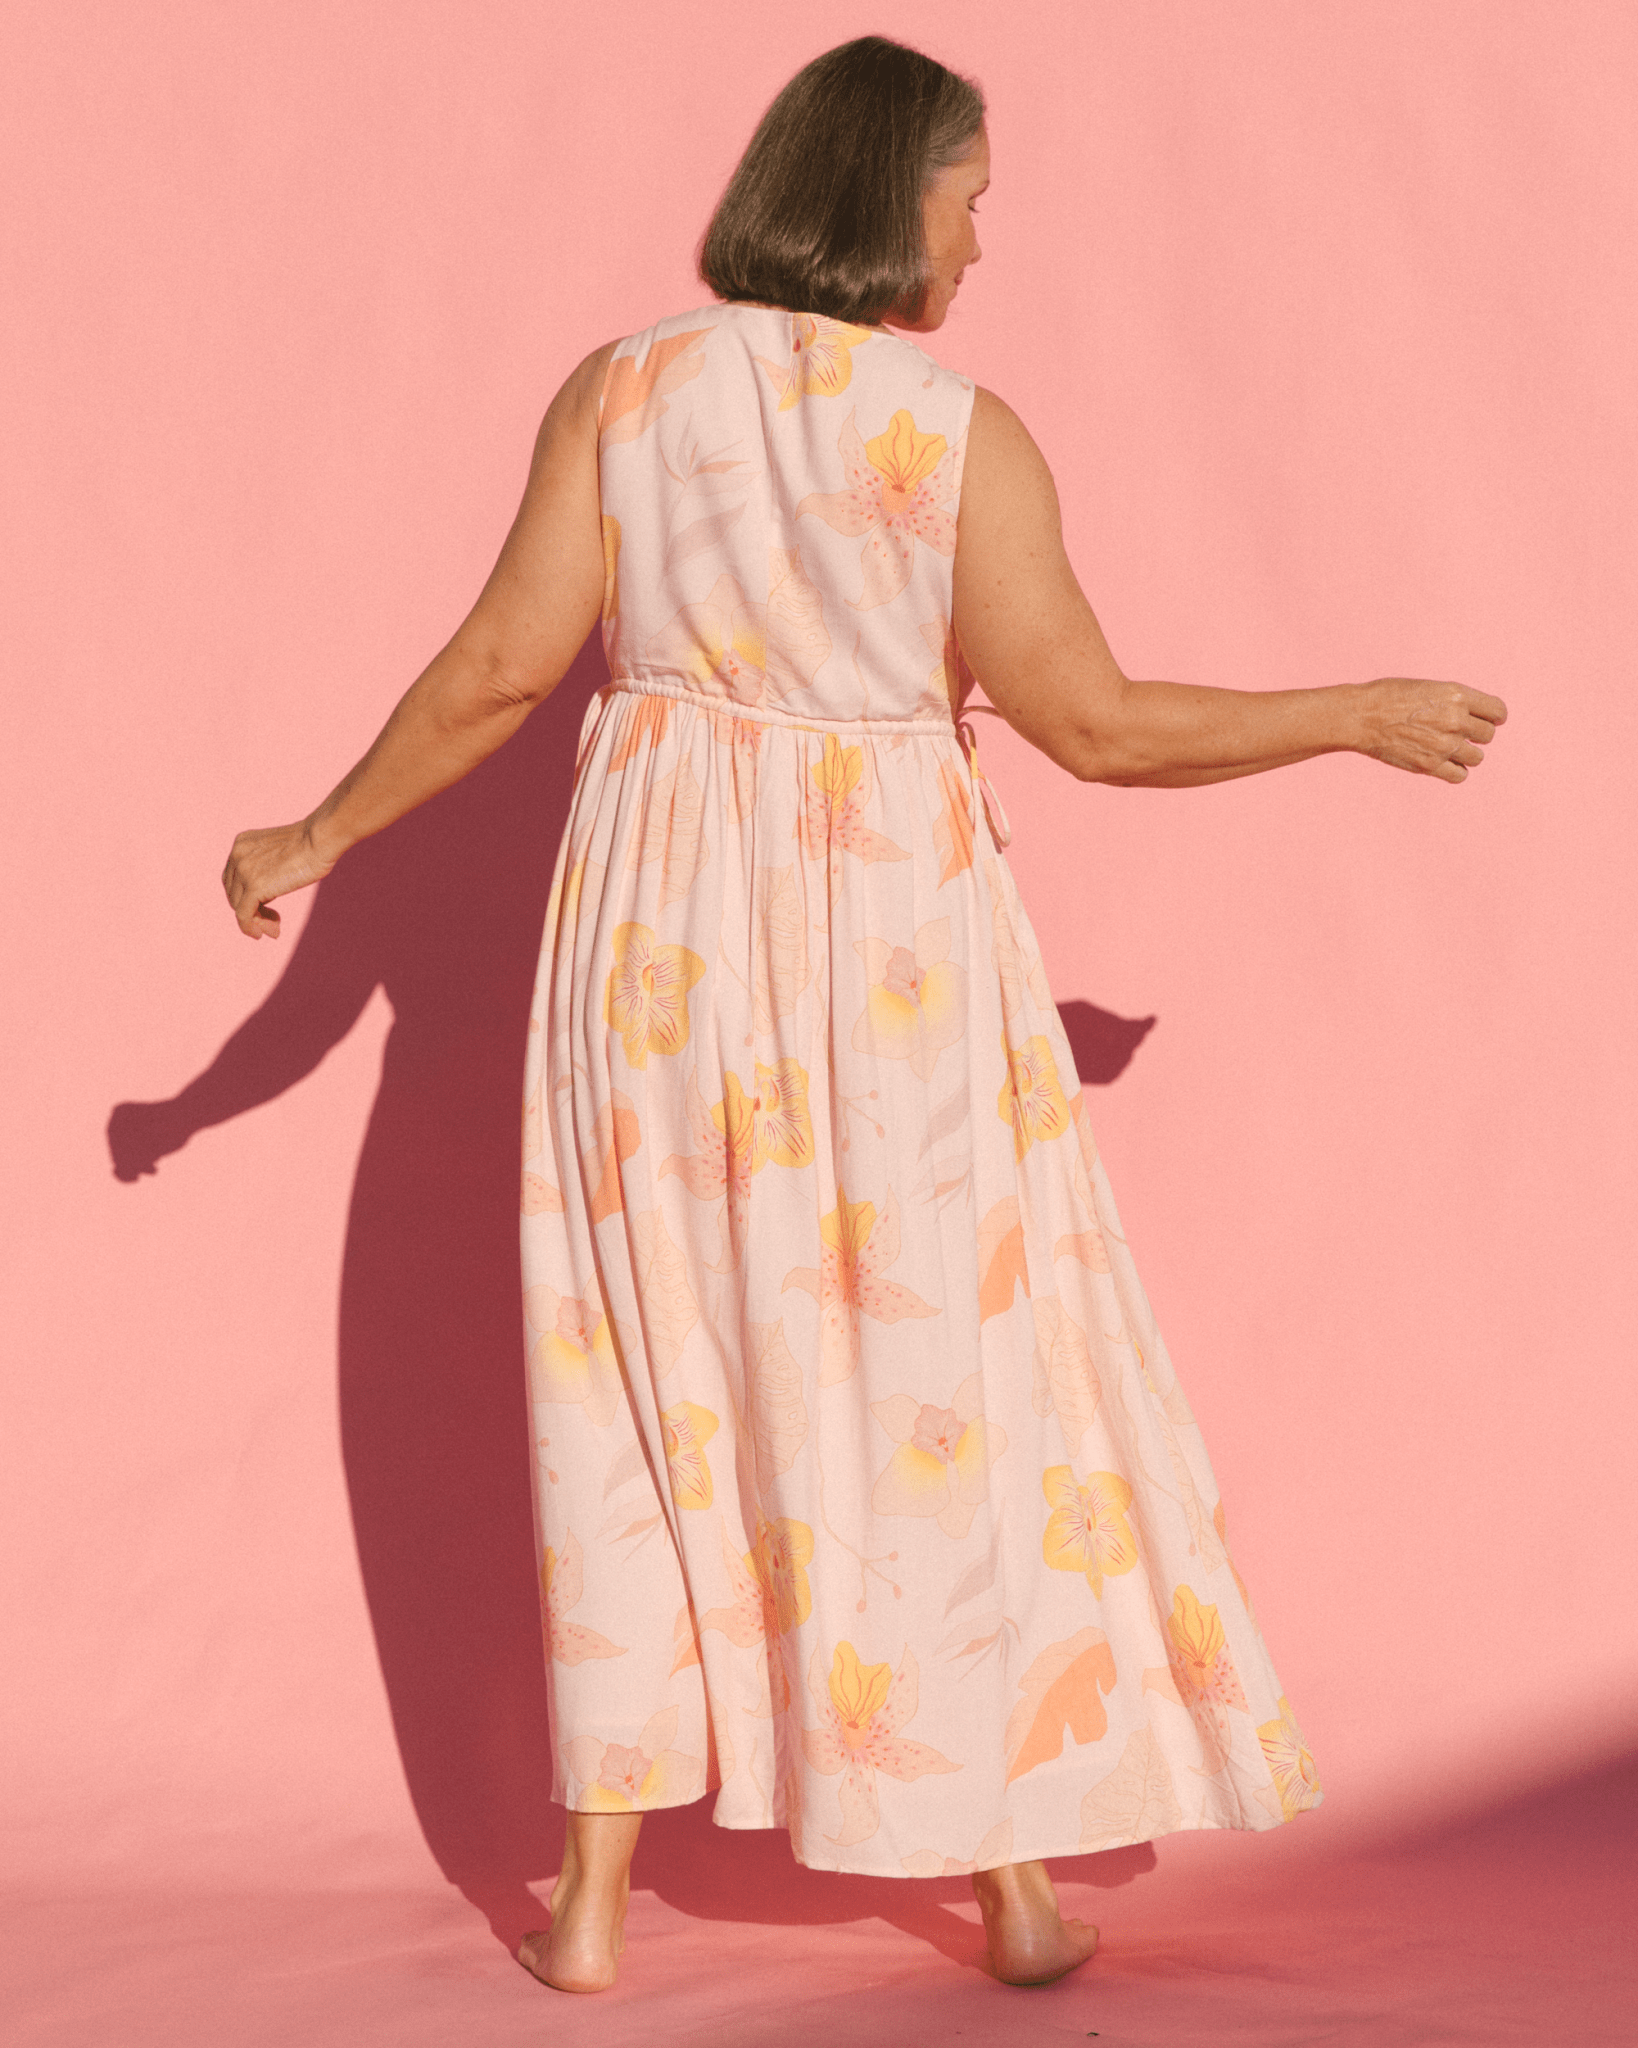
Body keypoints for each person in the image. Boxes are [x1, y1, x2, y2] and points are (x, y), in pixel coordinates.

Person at [223, 35, 1506, 1996]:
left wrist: (316, 831)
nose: (980, 240)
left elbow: (496, 669)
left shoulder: (625, 390)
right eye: (967, 198)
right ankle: (1008, 1889)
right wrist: (1351, 712)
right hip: (892, 952)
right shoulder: (959, 435)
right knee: (928, 1387)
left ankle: (589, 1907)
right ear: (887, 191)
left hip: (650, 958)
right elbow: (1094, 725)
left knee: (634, 1378)